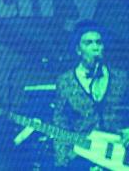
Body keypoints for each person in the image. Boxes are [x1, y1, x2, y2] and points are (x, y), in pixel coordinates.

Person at [53, 20, 129, 169]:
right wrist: (63, 161)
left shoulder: (121, 77)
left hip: (119, 154)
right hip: (84, 156)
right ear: (78, 50)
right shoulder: (65, 81)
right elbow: (60, 122)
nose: (95, 47)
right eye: (88, 43)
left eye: (98, 43)